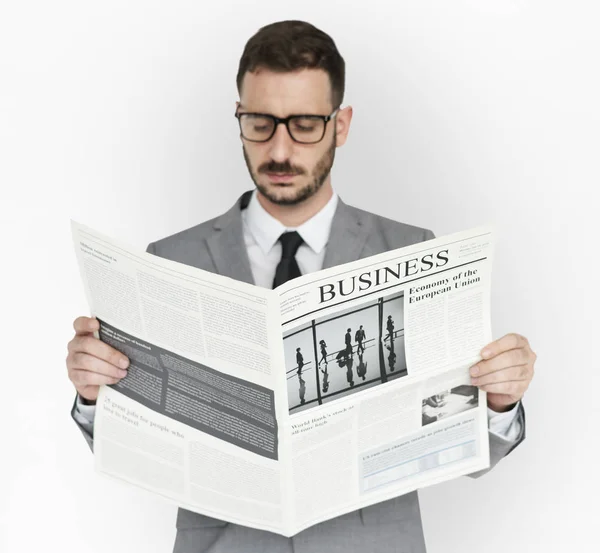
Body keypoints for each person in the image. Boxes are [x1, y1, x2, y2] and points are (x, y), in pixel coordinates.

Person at [66, 19, 536, 553]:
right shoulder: (169, 261)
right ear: (238, 119)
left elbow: (455, 444)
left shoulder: (414, 251)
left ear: (341, 124)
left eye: (306, 124)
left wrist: (497, 403)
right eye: (260, 123)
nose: (281, 150)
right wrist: (91, 394)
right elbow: (134, 445)